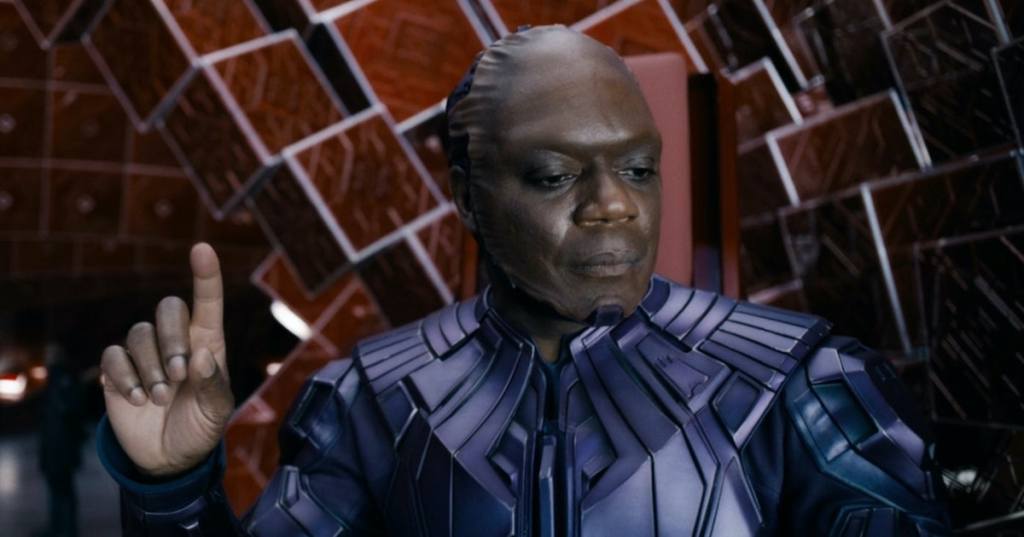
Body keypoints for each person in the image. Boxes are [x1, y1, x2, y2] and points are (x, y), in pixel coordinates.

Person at [96, 26, 949, 536]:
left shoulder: (802, 385)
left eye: (639, 168)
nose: (613, 205)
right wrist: (173, 489)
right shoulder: (370, 404)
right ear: (468, 195)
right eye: (554, 175)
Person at [37, 343, 86, 537]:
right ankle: (58, 528)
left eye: (50, 354)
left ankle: (66, 530)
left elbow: (70, 414)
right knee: (58, 491)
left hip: (60, 448)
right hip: (55, 447)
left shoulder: (62, 380)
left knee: (63, 491)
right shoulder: (55, 380)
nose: (47, 357)